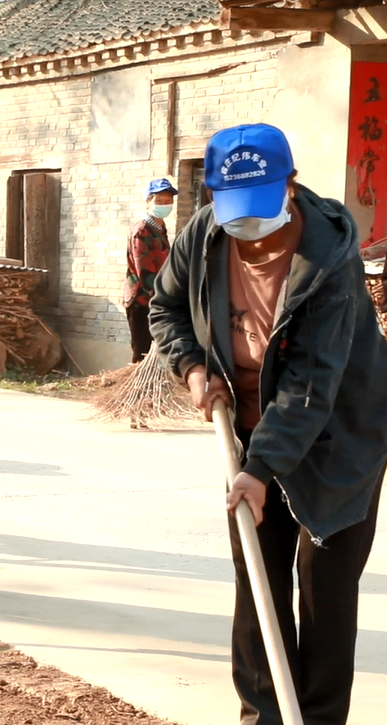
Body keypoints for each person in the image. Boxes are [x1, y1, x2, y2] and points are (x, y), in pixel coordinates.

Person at [150, 123, 387, 725]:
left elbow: (313, 384)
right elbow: (166, 306)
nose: (247, 224)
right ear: (212, 194)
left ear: (291, 185)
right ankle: (263, 715)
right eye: (234, 208)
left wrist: (261, 471)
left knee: (325, 589)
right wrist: (193, 366)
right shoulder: (203, 236)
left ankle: (320, 719)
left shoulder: (329, 258)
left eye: (260, 207)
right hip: (251, 430)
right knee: (257, 583)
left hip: (340, 438)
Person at [125, 178, 177, 364]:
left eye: (168, 201)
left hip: (157, 298)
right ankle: (137, 391)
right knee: (142, 353)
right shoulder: (142, 230)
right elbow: (145, 272)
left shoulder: (160, 228)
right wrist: (160, 298)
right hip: (143, 299)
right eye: (159, 201)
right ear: (148, 202)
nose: (164, 205)